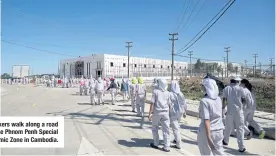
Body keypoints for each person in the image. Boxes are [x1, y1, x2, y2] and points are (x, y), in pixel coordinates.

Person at [197, 78, 225, 155]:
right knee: (219, 152)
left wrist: (208, 137)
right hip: (219, 130)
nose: (202, 88)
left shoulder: (204, 101)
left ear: (207, 88)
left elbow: (207, 120)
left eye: (203, 87)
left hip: (209, 131)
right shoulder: (218, 99)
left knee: (207, 153)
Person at [222, 77, 246, 153]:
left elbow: (224, 99)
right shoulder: (240, 88)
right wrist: (243, 107)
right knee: (240, 129)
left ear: (231, 81)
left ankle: (225, 141)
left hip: (230, 111)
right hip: (239, 112)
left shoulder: (227, 88)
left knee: (228, 127)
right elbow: (244, 99)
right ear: (237, 81)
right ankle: (241, 147)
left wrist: (223, 109)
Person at [148, 78, 171, 152]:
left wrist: (150, 114)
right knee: (166, 129)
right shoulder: (168, 92)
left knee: (155, 128)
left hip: (157, 112)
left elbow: (152, 103)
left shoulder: (155, 91)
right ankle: (167, 146)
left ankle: (156, 143)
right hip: (166, 113)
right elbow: (169, 104)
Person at [169, 80, 187, 149]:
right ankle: (176, 139)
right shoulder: (181, 93)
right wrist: (185, 112)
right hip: (180, 113)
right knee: (177, 126)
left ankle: (178, 144)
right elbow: (184, 103)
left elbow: (168, 104)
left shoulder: (170, 94)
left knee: (175, 128)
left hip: (173, 113)